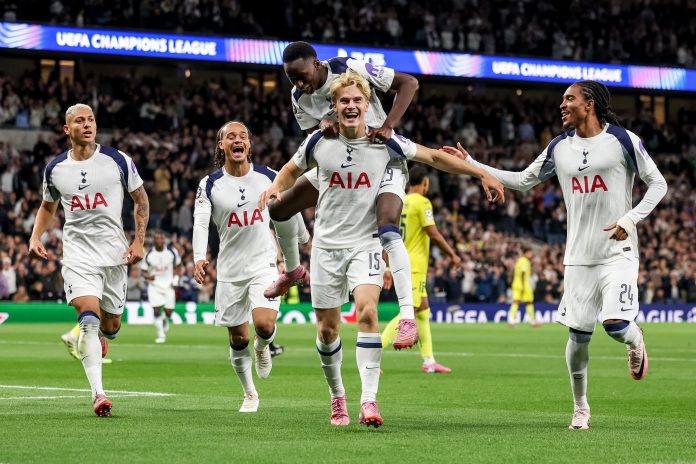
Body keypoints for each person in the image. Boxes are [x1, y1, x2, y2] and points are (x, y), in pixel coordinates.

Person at [259, 70, 504, 427]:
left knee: (368, 314)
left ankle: (369, 401)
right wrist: (274, 189)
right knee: (327, 331)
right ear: (334, 106)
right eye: (344, 100)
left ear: (366, 105)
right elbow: (289, 171)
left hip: (365, 244)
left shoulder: (384, 143)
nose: (351, 105)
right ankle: (337, 397)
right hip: (327, 246)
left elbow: (434, 158)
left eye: (357, 100)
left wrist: (481, 173)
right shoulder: (318, 141)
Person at [445, 80, 667, 430]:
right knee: (578, 338)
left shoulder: (622, 141)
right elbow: (522, 180)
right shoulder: (559, 147)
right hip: (578, 257)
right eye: (562, 100)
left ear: (589, 103)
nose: (562, 105)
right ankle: (580, 408)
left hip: (618, 252)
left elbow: (658, 184)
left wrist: (630, 218)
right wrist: (474, 164)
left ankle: (635, 339)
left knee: (615, 325)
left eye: (569, 99)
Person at [265, 41, 423, 350]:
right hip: (342, 164)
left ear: (316, 64)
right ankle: (293, 270)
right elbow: (314, 142)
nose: (298, 84)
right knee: (279, 208)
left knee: (388, 226)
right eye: (291, 78)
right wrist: (322, 125)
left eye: (301, 76)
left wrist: (388, 125)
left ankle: (407, 317)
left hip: (383, 160)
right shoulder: (298, 96)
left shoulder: (350, 67)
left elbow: (409, 83)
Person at [30, 103, 149, 416]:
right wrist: (35, 236)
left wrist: (139, 241)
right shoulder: (55, 168)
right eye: (79, 121)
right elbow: (47, 206)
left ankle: (100, 340)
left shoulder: (117, 160)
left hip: (114, 255)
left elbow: (140, 199)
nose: (87, 125)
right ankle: (99, 394)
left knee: (111, 326)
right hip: (78, 256)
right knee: (88, 320)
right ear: (66, 129)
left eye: (91, 120)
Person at [193, 121, 292, 413]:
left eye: (243, 136)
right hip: (229, 270)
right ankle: (250, 394)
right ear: (221, 145)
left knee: (264, 324)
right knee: (238, 337)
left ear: (248, 144)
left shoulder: (269, 176)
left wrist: (295, 248)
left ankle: (263, 346)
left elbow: (289, 206)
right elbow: (201, 221)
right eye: (231, 137)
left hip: (263, 263)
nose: (238, 140)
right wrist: (198, 256)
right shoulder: (210, 184)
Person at [381, 166, 457, 374]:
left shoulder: (399, 201)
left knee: (423, 310)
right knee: (410, 312)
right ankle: (372, 351)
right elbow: (433, 233)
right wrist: (452, 255)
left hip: (400, 260)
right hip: (413, 266)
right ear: (425, 183)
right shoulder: (422, 202)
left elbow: (388, 234)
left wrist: (387, 265)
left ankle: (429, 361)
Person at [141, 230, 182, 343]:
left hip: (169, 285)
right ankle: (160, 334)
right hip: (154, 286)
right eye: (157, 238)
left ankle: (164, 319)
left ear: (164, 239)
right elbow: (144, 271)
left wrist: (175, 280)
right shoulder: (149, 254)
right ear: (154, 240)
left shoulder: (172, 252)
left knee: (169, 312)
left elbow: (178, 266)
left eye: (161, 238)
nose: (159, 240)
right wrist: (148, 277)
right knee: (156, 310)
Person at [507, 246, 541, 328]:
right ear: (526, 253)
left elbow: (514, 271)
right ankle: (532, 321)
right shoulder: (524, 261)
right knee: (527, 302)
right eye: (530, 253)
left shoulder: (519, 260)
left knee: (517, 302)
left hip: (517, 283)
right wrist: (522, 285)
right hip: (523, 285)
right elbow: (522, 273)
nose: (531, 254)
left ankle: (511, 320)